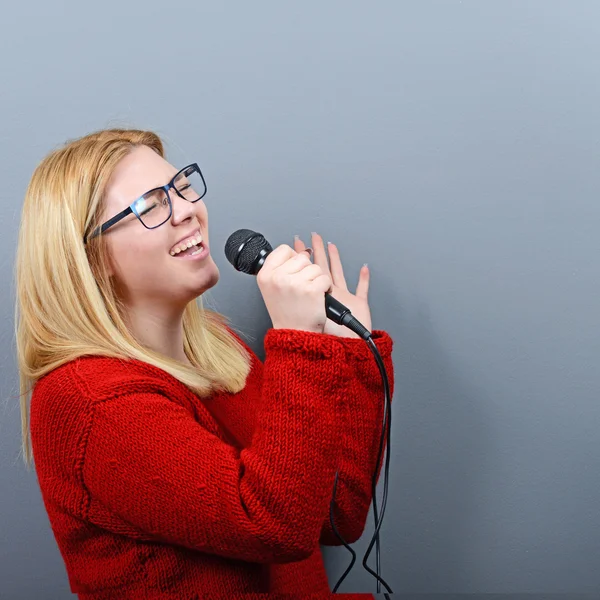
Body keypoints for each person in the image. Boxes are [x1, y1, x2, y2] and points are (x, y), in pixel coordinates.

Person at [15, 128, 395, 599]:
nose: (188, 209)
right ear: (91, 259)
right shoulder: (88, 401)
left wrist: (347, 354)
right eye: (152, 205)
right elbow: (275, 526)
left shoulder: (220, 348)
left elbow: (336, 516)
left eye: (182, 187)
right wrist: (298, 343)